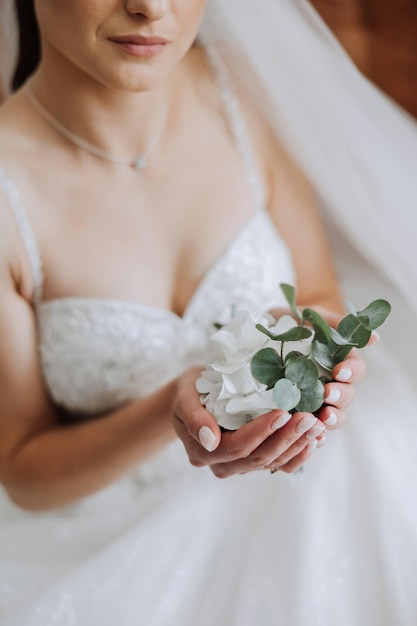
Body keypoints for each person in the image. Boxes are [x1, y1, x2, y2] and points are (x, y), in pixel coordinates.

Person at [0, 1, 416, 625]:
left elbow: (318, 294)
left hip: (322, 491)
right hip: (114, 541)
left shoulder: (244, 87)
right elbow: (25, 471)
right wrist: (169, 408)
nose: (149, 6)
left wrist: (319, 359)